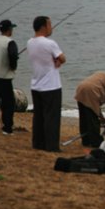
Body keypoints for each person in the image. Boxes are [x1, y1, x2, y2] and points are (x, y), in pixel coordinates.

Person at [27, 15, 66, 152]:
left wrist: (55, 60)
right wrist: (58, 60)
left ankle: (38, 143)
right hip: (51, 86)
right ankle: (51, 146)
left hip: (36, 85)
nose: (51, 27)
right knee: (52, 117)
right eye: (50, 25)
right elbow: (63, 58)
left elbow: (47, 59)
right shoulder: (50, 43)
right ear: (44, 26)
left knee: (38, 116)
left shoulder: (30, 42)